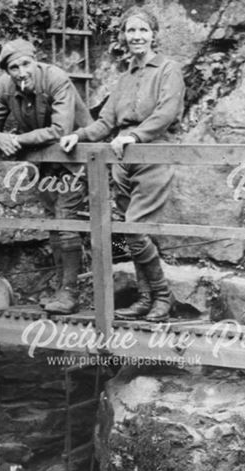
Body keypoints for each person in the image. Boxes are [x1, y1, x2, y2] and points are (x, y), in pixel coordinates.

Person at [60, 7, 184, 321]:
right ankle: (145, 299)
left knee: (134, 230)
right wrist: (80, 135)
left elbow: (166, 114)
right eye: (131, 31)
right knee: (135, 230)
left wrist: (136, 136)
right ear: (123, 37)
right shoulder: (126, 75)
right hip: (123, 159)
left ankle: (163, 297)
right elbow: (106, 121)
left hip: (153, 153)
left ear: (154, 34)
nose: (137, 37)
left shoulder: (169, 69)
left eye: (143, 30)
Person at [0, 39, 92, 314]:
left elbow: (60, 129)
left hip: (76, 159)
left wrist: (16, 139)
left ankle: (70, 293)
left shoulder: (56, 79)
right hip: (46, 163)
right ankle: (60, 287)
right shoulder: (6, 87)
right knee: (53, 223)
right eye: (14, 67)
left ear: (35, 61)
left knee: (66, 221)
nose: (21, 72)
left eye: (26, 64)